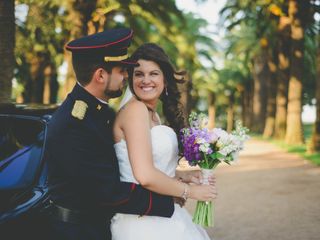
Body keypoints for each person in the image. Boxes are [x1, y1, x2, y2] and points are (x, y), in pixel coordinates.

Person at [45, 29, 176, 240]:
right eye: (122, 70)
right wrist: (169, 198)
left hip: (96, 226)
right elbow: (107, 192)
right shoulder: (74, 124)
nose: (127, 76)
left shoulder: (100, 111)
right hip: (78, 231)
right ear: (100, 75)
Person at [111, 43, 216, 240]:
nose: (145, 80)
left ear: (165, 79)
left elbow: (150, 163)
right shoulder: (135, 111)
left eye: (153, 73)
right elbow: (145, 176)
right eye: (139, 74)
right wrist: (190, 191)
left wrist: (184, 175)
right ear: (131, 78)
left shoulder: (152, 114)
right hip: (142, 221)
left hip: (161, 213)